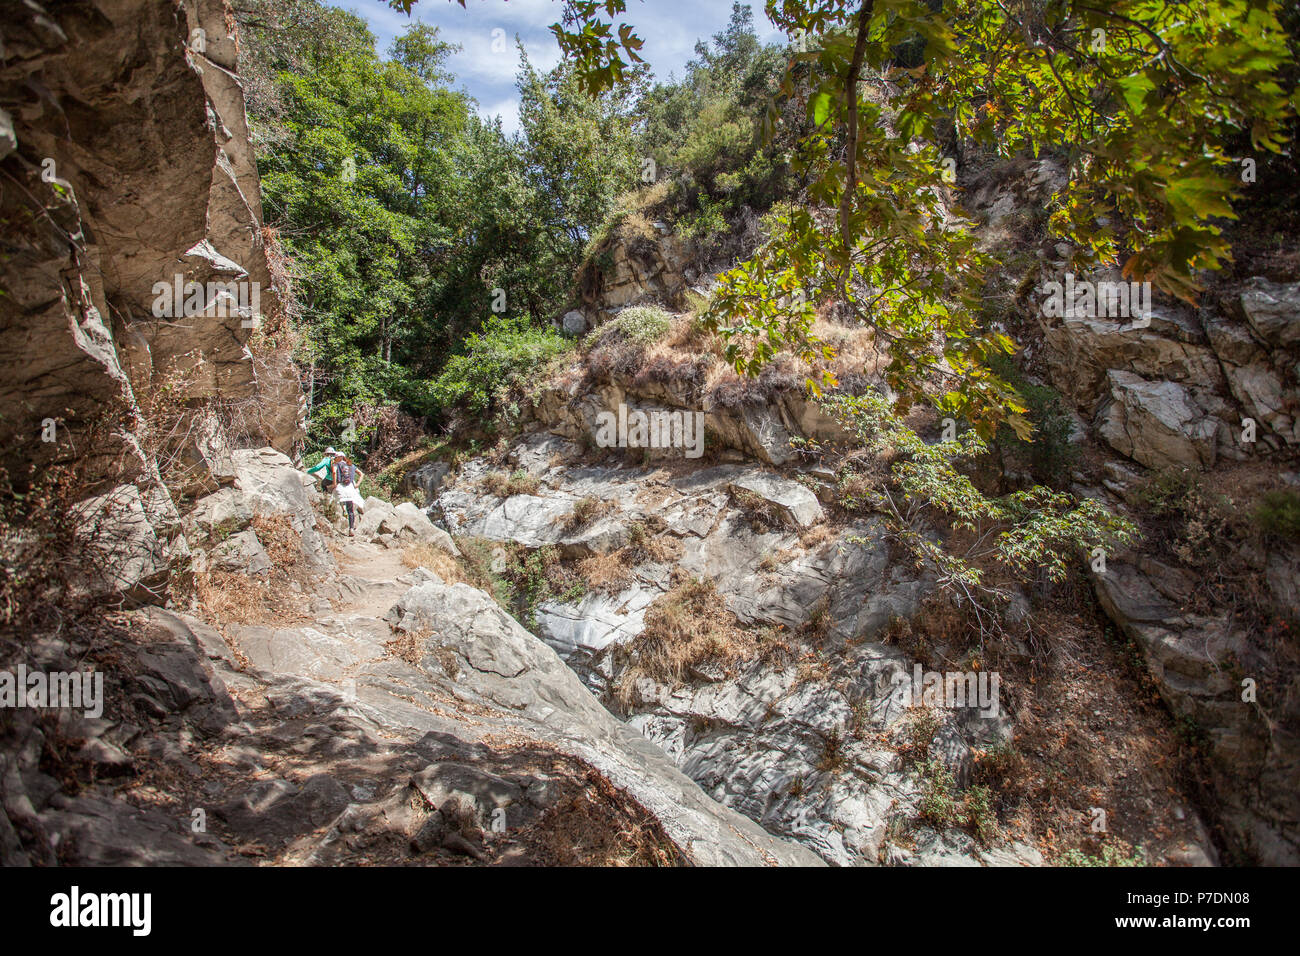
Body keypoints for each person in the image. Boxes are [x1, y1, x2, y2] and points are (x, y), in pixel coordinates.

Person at [332, 451, 365, 536]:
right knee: (350, 510)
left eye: (335, 458)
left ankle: (332, 522)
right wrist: (357, 484)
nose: (335, 459)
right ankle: (351, 529)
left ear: (338, 458)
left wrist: (335, 484)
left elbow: (334, 473)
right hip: (350, 488)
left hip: (341, 487)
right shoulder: (351, 465)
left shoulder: (336, 465)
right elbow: (361, 474)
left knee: (332, 501)